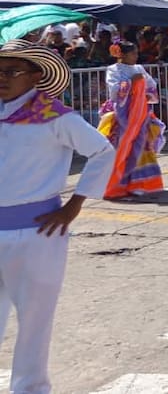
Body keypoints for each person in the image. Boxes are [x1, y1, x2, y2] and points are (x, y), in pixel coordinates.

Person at [0, 40, 116, 394]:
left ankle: (30, 388)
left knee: (34, 318)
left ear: (36, 76)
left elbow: (101, 151)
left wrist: (74, 205)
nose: (2, 78)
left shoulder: (55, 117)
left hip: (36, 232)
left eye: (11, 72)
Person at [98, 41, 165, 199]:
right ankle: (117, 182)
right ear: (122, 55)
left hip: (139, 112)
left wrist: (145, 91)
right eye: (133, 53)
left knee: (139, 146)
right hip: (121, 113)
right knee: (120, 146)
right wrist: (131, 83)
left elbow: (151, 84)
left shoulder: (139, 68)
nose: (136, 56)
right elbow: (114, 90)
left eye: (136, 53)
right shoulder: (113, 70)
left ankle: (135, 183)